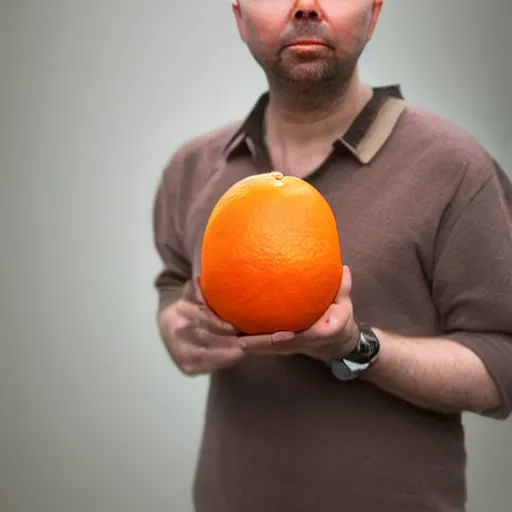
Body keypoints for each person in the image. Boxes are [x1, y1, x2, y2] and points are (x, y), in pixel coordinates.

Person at [152, 1, 512, 511]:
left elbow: (503, 361)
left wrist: (355, 347)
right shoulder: (191, 169)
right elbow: (172, 284)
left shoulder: (457, 170)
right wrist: (178, 328)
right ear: (238, 16)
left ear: (375, 13)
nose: (305, 6)